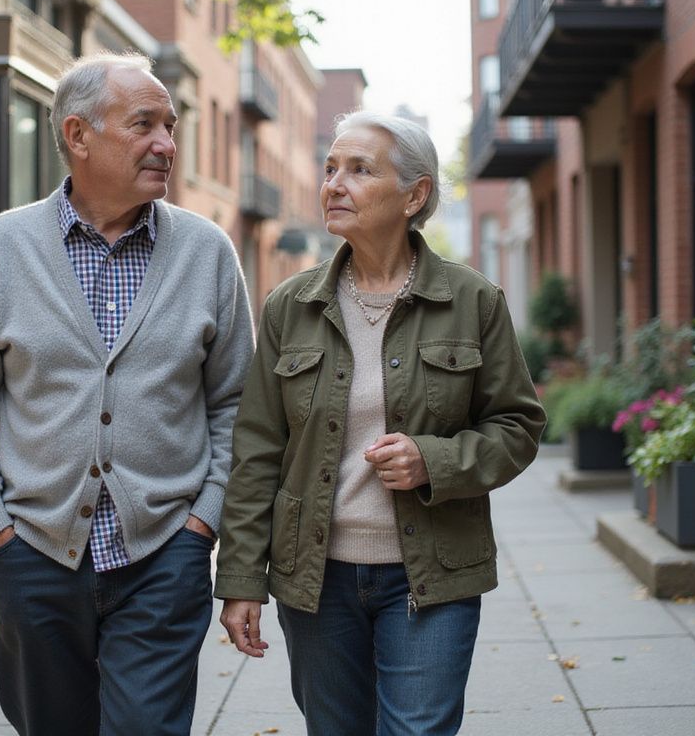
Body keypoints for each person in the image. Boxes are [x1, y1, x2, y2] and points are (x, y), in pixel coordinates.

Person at [0, 52, 254, 736]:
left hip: (165, 556)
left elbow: (238, 408)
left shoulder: (206, 251)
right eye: (144, 125)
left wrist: (204, 526)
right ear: (78, 135)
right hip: (34, 557)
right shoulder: (1, 248)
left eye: (170, 125)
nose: (166, 143)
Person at [214, 111, 546, 736]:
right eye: (331, 168)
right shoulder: (291, 306)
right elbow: (258, 450)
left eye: (360, 170)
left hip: (432, 575)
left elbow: (518, 425)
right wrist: (240, 579)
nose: (334, 183)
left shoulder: (473, 301)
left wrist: (435, 460)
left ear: (415, 195)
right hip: (317, 581)